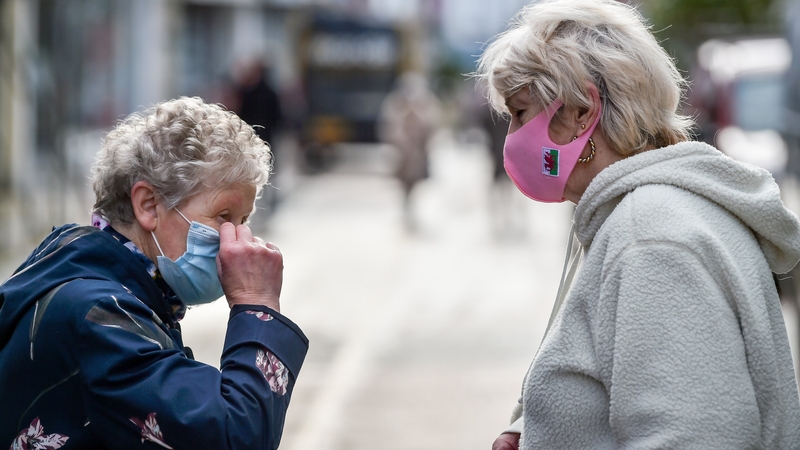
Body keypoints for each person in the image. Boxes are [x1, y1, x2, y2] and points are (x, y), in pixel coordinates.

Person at [475, 0, 800, 448]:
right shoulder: (637, 214)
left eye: (521, 113)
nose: (511, 137)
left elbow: (692, 436)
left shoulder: (649, 238)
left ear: (582, 112)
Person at [0, 97, 308, 450]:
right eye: (224, 216)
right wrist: (257, 304)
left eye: (244, 220)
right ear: (148, 206)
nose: (237, 240)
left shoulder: (92, 277)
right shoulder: (99, 316)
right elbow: (234, 436)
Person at [378, 72, 441, 230]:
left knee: (415, 183)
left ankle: (410, 208)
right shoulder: (395, 103)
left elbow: (431, 126)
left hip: (417, 154)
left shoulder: (426, 103)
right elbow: (388, 127)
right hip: (401, 153)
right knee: (402, 184)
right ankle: (406, 209)